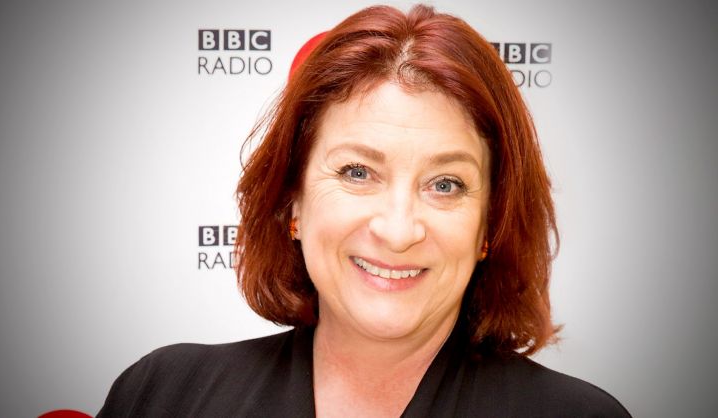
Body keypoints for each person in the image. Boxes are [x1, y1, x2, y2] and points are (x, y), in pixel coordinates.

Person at [97, 4, 630, 417]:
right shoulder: (164, 395)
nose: (397, 230)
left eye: (445, 184)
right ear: (293, 200)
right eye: (357, 172)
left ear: (488, 226)